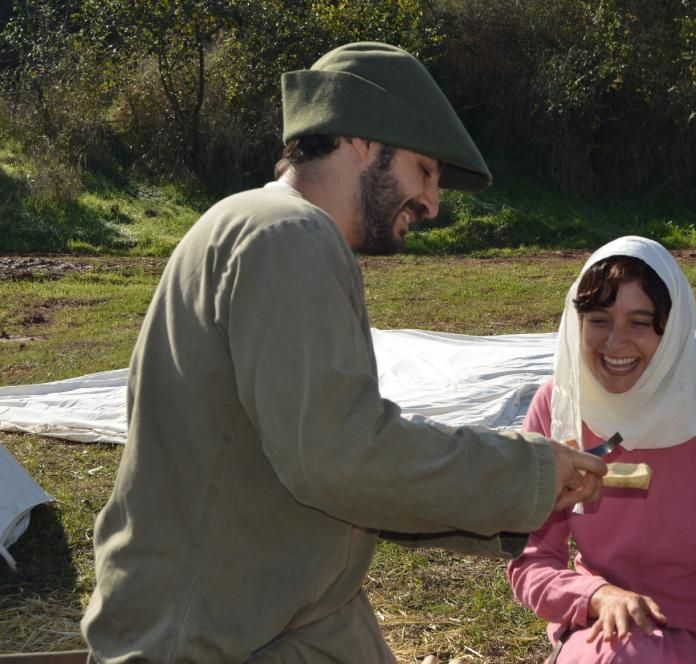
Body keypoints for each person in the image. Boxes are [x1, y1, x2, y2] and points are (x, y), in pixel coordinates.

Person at [81, 42, 606, 663]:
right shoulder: (288, 236)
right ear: (362, 139)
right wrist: (527, 472)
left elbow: (333, 468)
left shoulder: (263, 225)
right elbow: (341, 456)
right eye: (425, 170)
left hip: (277, 611)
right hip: (215, 637)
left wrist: (528, 491)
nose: (433, 203)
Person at [507, 236, 696, 663]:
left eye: (640, 323)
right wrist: (596, 595)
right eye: (599, 320)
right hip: (609, 635)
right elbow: (531, 559)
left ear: (673, 327)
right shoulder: (559, 409)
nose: (615, 343)